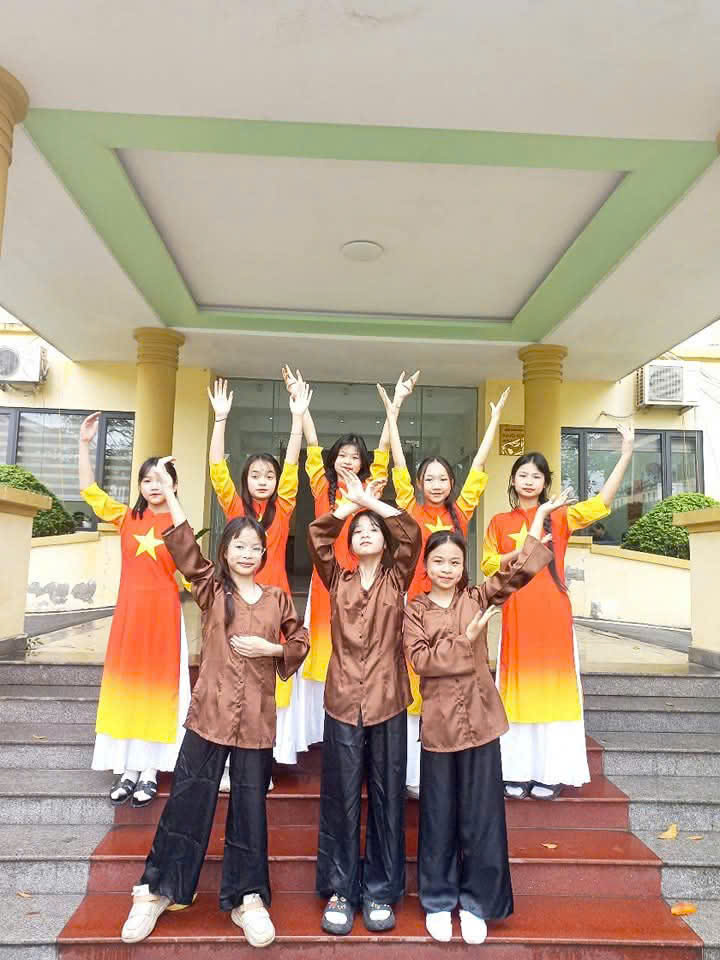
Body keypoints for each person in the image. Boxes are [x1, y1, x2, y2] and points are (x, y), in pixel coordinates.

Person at [120, 457, 309, 948]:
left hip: (256, 722)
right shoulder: (212, 587)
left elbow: (299, 641)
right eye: (238, 546)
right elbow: (184, 545)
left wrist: (272, 650)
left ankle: (248, 899)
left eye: (255, 547)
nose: (247, 553)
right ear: (225, 551)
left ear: (264, 554)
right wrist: (169, 492)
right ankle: (157, 889)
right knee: (188, 800)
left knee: (250, 809)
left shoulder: (277, 599)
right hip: (210, 715)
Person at [404, 495, 560, 943]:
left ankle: (477, 901)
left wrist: (540, 517)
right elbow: (420, 661)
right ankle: (438, 899)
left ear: (463, 566)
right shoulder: (414, 609)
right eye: (438, 561)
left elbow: (519, 571)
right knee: (438, 817)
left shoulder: (478, 596)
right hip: (439, 727)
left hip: (481, 722)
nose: (447, 568)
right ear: (426, 565)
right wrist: (466, 639)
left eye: (455, 561)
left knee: (482, 816)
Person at [307, 392, 422, 935]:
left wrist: (375, 505)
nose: (367, 534)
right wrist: (348, 507)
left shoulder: (398, 578)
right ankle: (339, 889)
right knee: (340, 798)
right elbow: (317, 537)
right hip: (342, 700)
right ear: (351, 543)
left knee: (386, 796)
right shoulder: (338, 578)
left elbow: (412, 534)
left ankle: (380, 890)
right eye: (360, 531)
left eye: (374, 529)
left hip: (389, 700)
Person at [482, 424, 635, 799]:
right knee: (516, 689)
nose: (529, 481)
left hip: (552, 613)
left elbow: (602, 503)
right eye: (523, 475)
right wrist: (519, 551)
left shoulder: (561, 517)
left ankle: (551, 772)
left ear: (545, 482)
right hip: (517, 613)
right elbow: (489, 565)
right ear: (513, 480)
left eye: (536, 476)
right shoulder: (500, 522)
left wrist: (626, 452)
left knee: (553, 689)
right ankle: (515, 769)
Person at [382, 380, 510, 797]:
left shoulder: (461, 511)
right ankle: (415, 773)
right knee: (419, 681)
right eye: (429, 478)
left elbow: (480, 466)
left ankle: (453, 762)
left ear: (451, 483)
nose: (436, 484)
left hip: (455, 608)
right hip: (419, 609)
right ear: (420, 483)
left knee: (453, 682)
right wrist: (394, 413)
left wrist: (493, 421)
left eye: (443, 478)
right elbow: (398, 464)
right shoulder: (411, 509)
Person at [273, 367, 396, 764]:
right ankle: (318, 730)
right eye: (342, 455)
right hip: (327, 583)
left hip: (366, 583)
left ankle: (358, 722)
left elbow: (384, 450)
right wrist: (300, 404)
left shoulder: (371, 488)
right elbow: (312, 444)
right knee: (322, 653)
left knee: (360, 650)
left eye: (355, 456)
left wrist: (393, 411)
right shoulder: (322, 485)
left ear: (363, 463)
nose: (348, 460)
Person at [78, 413, 190, 807]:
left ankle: (150, 771)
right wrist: (85, 444)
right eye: (147, 480)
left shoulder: (177, 522)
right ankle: (126, 770)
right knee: (126, 688)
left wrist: (170, 491)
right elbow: (89, 491)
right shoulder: (127, 517)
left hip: (163, 618)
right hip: (129, 617)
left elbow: (187, 549)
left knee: (158, 690)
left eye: (161, 479)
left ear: (174, 485)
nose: (153, 486)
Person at [207, 374, 312, 785]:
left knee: (269, 681)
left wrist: (297, 418)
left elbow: (293, 466)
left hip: (274, 603)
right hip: (236, 603)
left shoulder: (283, 510)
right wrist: (220, 420)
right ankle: (228, 760)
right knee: (234, 678)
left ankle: (263, 761)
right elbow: (217, 469)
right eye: (256, 474)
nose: (264, 479)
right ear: (246, 479)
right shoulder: (235, 510)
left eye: (269, 474)